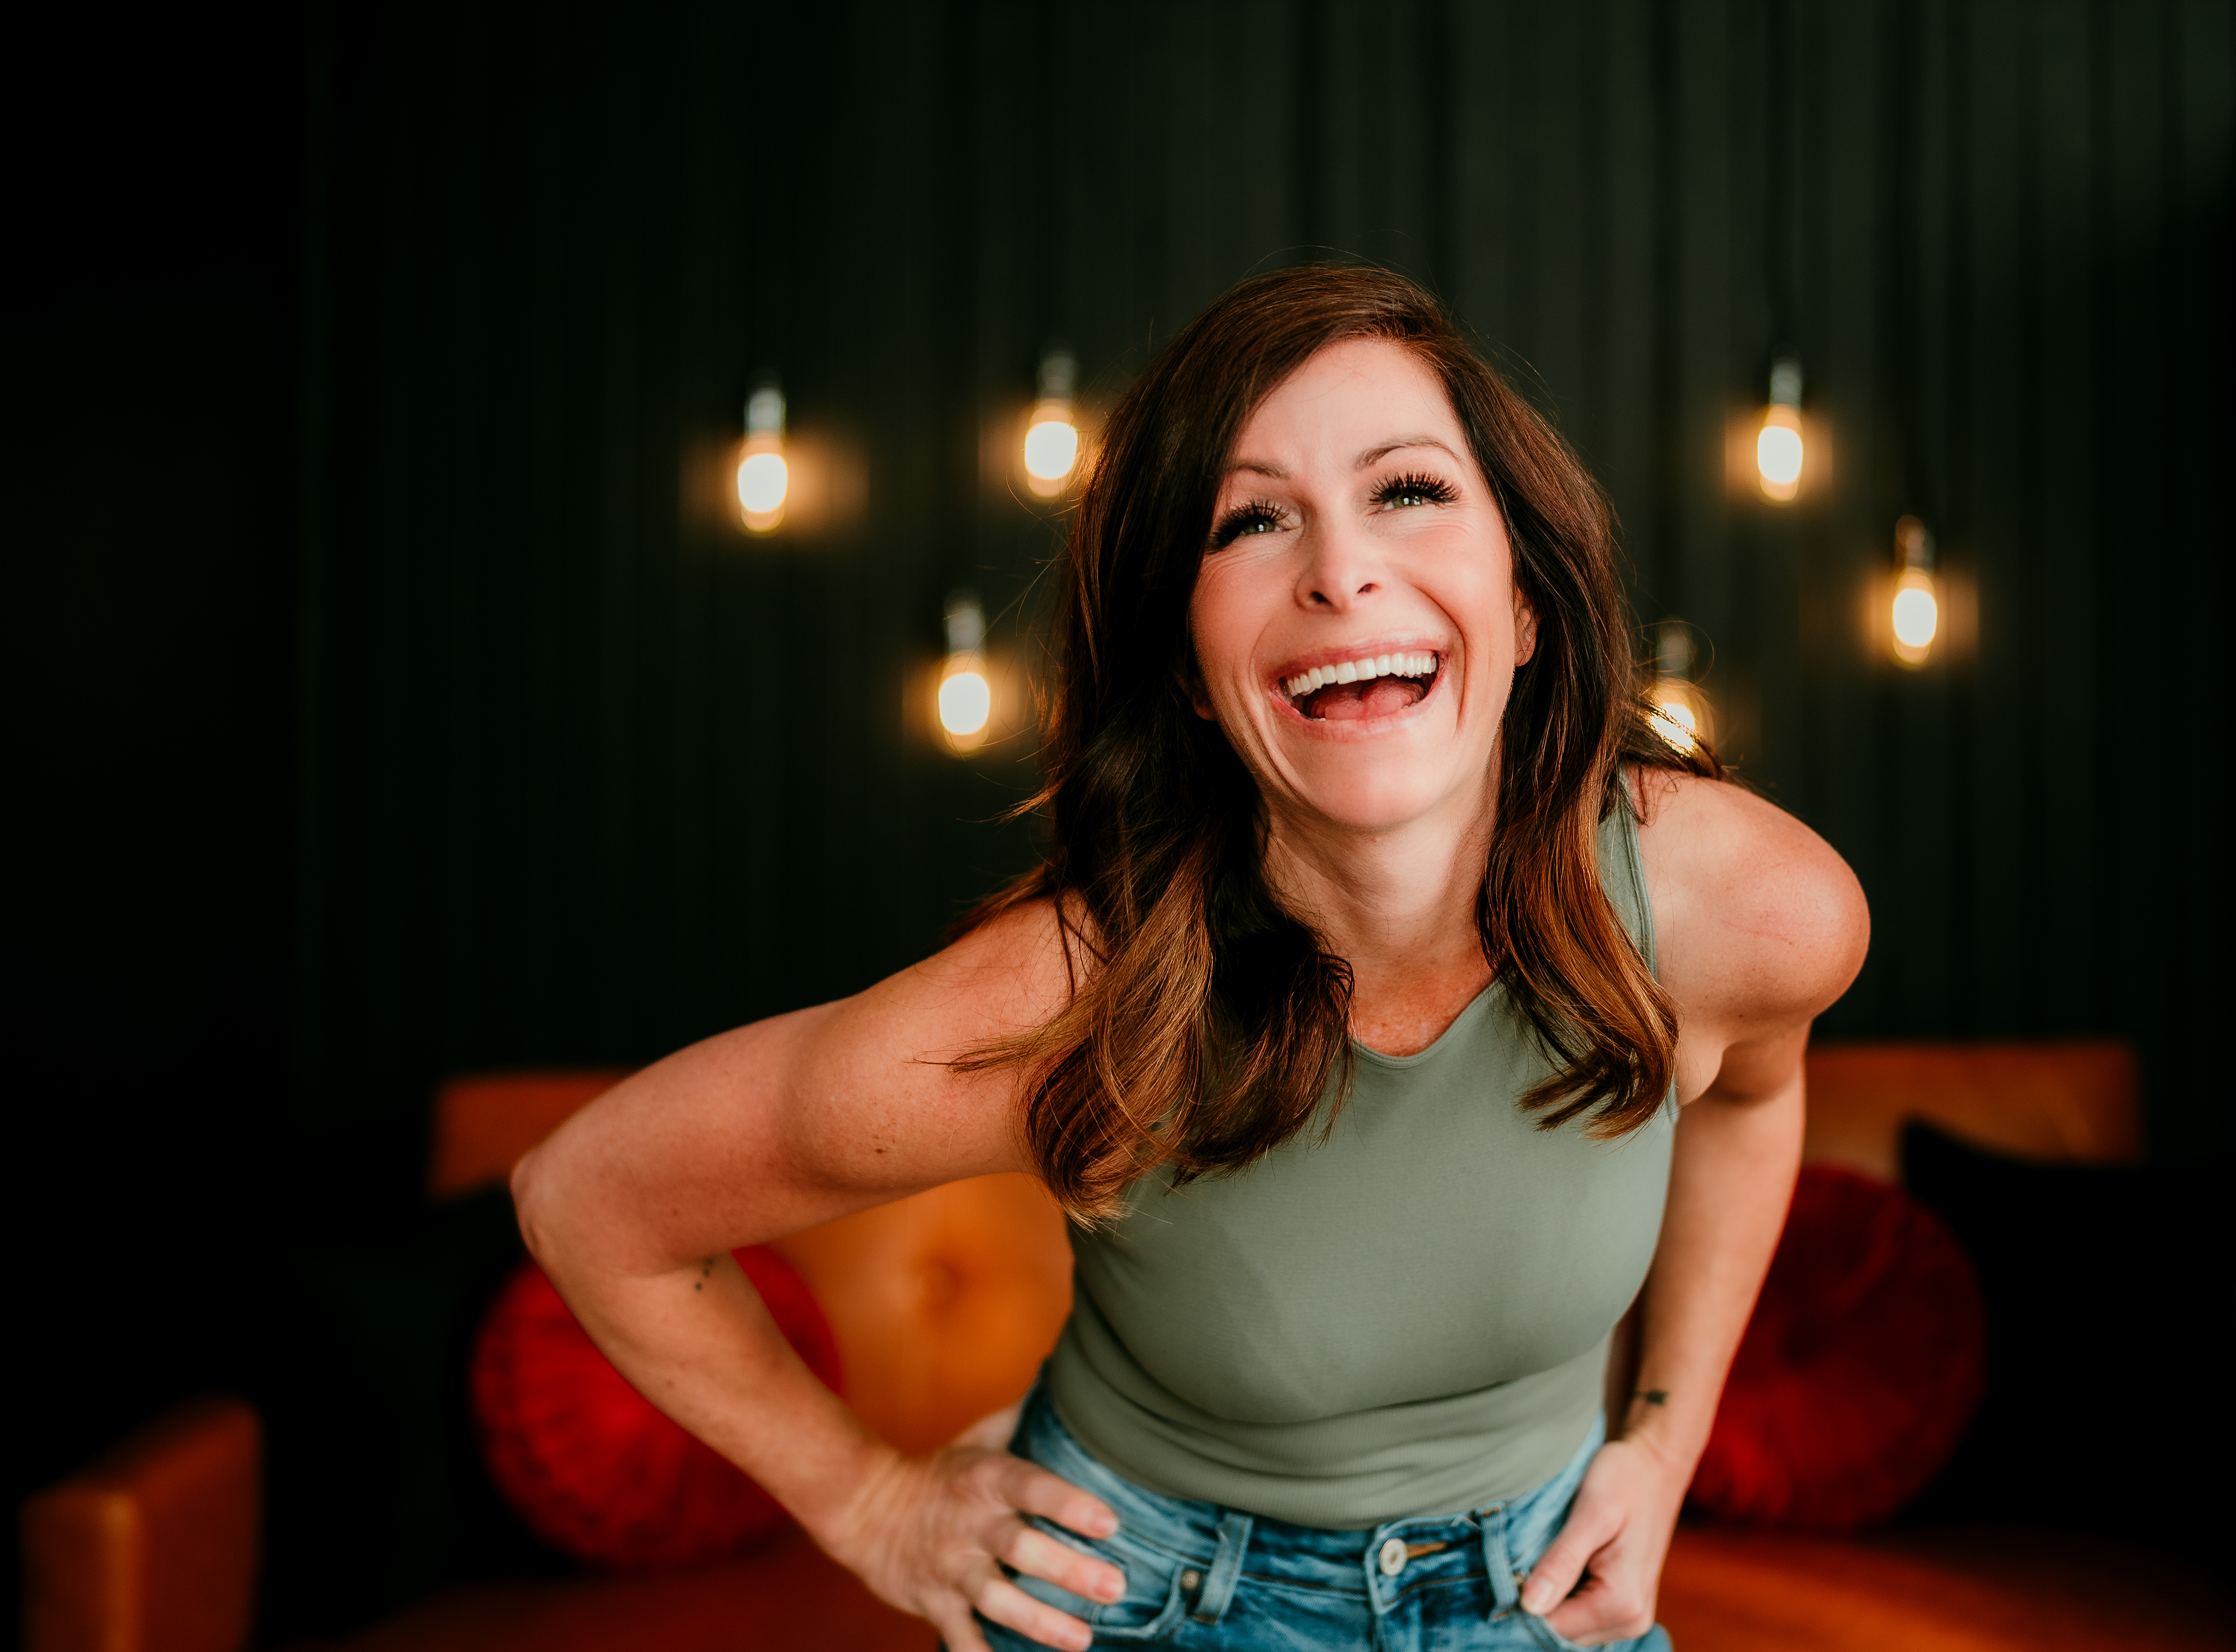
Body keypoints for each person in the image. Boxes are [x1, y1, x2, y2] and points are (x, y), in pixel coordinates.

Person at [514, 264, 1867, 1652]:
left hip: (1546, 1591)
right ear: (1186, 671)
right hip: (1147, 1601)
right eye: (1252, 520)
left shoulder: (1744, 909)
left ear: (1524, 602)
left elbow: (1751, 1101)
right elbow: (588, 1197)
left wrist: (1664, 1439)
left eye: (1409, 490)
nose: (1340, 571)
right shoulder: (1063, 1004)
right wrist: (873, 1506)